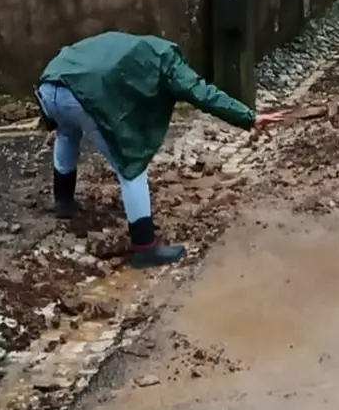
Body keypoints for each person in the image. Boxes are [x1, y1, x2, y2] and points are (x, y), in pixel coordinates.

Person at [36, 31, 287, 269]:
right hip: (81, 94)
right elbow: (201, 93)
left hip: (49, 85)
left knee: (67, 133)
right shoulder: (168, 60)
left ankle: (64, 203)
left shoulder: (133, 48)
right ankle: (145, 247)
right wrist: (248, 118)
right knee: (131, 167)